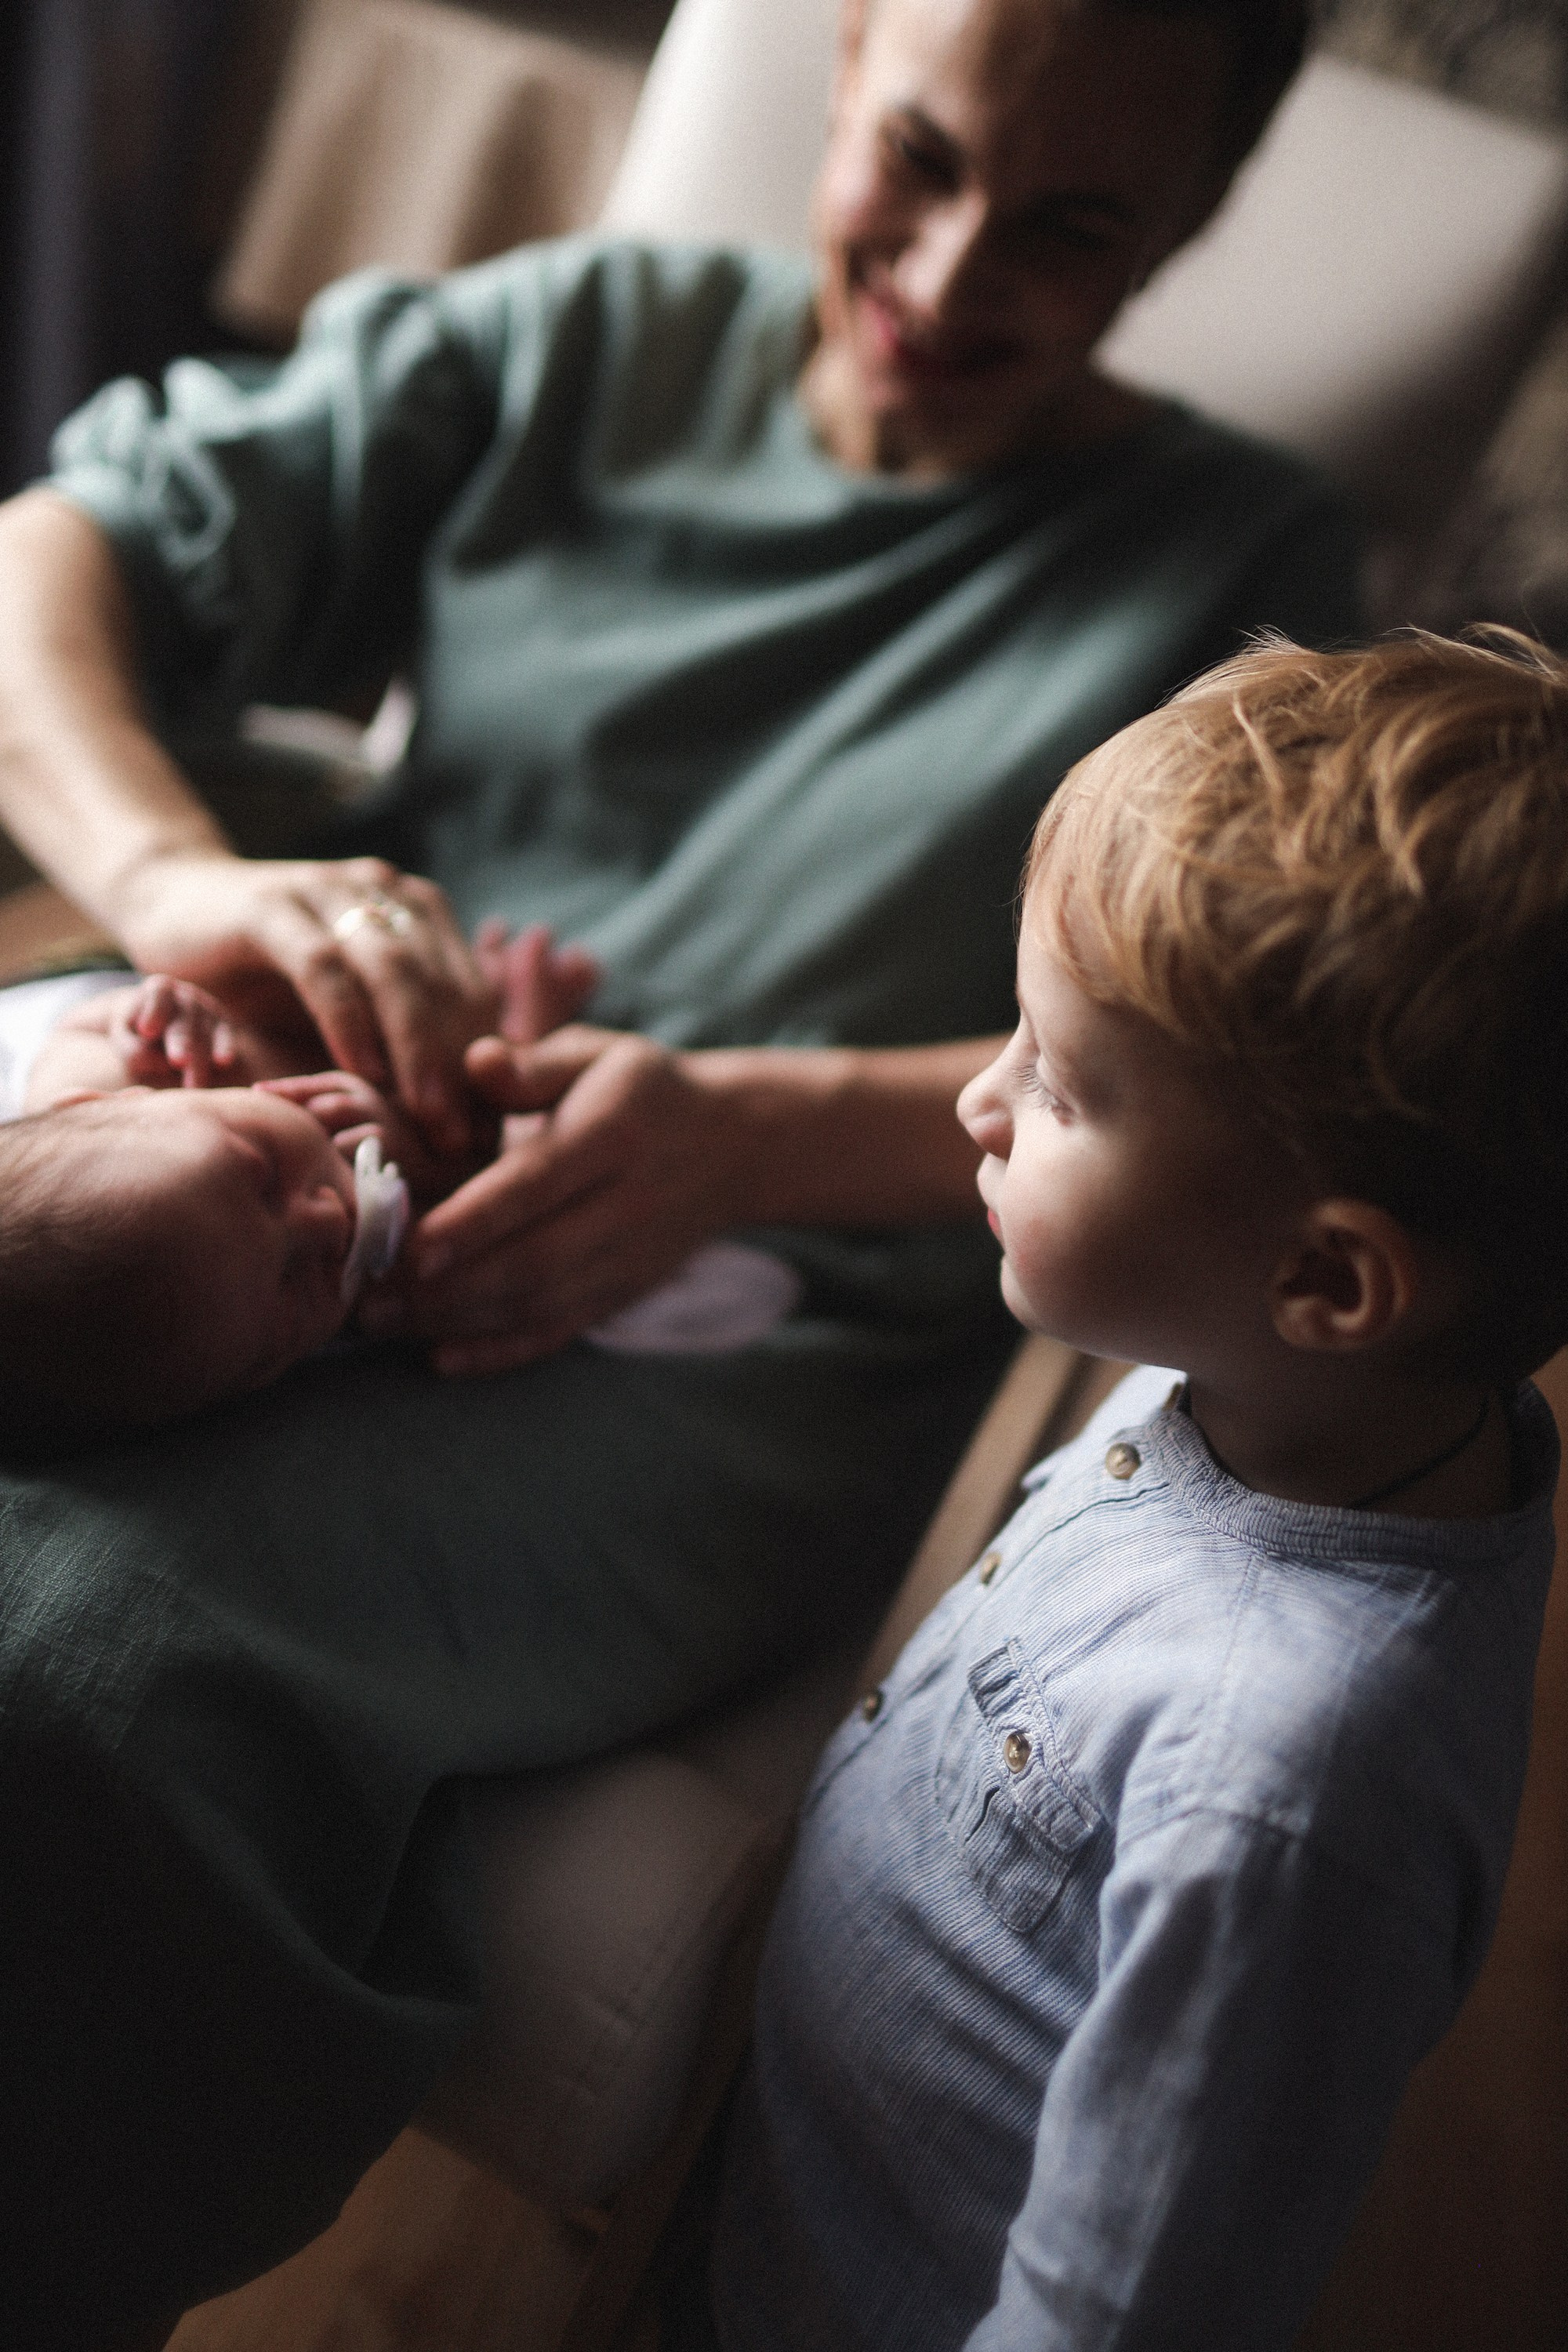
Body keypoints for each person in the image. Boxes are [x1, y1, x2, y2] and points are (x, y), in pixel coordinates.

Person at [0, 3, 1363, 2341]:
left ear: (1200, 220)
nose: (941, 277)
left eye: (1068, 226)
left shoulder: (1232, 577)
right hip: (299, 1132)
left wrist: (748, 1128)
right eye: (914, 157)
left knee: (88, 1662)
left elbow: (1259, 1098)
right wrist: (181, 878)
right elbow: (51, 552)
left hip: (761, 1303)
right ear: (837, 73)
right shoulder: (583, 339)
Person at [708, 628, 1567, 2351]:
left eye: (1062, 1083)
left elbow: (1126, 2300)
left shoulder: (1288, 1785)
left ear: (1328, 1282)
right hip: (774, 2185)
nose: (977, 1097)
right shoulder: (1285, 1378)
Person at [0, 1086, 368, 1443]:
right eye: (290, 1289)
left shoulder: (145, 1066)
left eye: (267, 1178)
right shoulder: (383, 1309)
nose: (332, 1221)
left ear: (106, 1098)